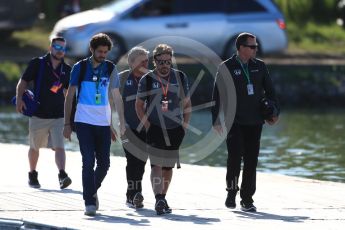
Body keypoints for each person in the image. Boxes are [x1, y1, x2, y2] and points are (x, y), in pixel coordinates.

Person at [211, 32, 280, 212]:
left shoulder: (261, 66)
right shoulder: (226, 67)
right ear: (241, 48)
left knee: (251, 161)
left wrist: (275, 112)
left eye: (256, 46)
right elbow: (217, 96)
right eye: (252, 46)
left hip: (255, 121)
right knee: (234, 159)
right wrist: (216, 120)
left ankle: (247, 199)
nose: (256, 49)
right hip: (234, 121)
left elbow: (271, 93)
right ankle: (231, 191)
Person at [63, 33, 125, 216]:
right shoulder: (80, 68)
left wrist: (119, 122)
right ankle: (89, 201)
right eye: (100, 51)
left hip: (103, 124)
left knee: (104, 164)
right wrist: (67, 123)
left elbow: (116, 97)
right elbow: (69, 97)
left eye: (106, 52)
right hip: (83, 121)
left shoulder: (111, 68)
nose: (103, 55)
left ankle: (90, 190)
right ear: (92, 49)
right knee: (88, 160)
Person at [135, 44, 191, 215]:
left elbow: (187, 103)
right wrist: (147, 125)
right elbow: (138, 105)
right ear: (155, 61)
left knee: (168, 167)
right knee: (156, 165)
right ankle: (159, 197)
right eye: (161, 62)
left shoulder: (180, 76)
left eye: (168, 61)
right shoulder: (148, 79)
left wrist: (184, 125)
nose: (165, 65)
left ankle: (163, 198)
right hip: (155, 127)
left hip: (175, 128)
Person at [15, 37, 72, 189]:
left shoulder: (66, 70)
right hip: (38, 114)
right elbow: (23, 81)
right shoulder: (37, 63)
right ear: (51, 48)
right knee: (35, 147)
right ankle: (32, 174)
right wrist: (20, 98)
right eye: (57, 47)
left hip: (59, 115)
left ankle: (62, 174)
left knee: (60, 146)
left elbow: (69, 93)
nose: (60, 51)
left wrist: (71, 113)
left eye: (63, 48)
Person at [118, 47, 150, 209]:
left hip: (147, 128)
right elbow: (109, 104)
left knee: (142, 162)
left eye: (147, 60)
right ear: (131, 62)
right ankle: (133, 195)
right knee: (132, 161)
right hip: (127, 127)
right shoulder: (121, 79)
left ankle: (135, 193)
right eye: (142, 60)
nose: (146, 63)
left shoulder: (153, 78)